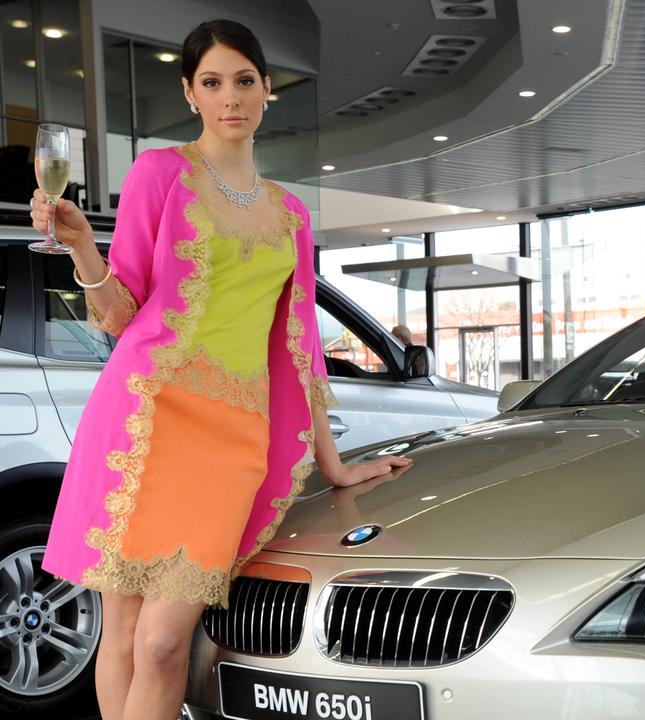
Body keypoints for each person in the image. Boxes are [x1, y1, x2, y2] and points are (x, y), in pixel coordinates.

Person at [33, 20, 412, 720]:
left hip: (231, 440)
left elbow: (298, 349)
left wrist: (334, 465)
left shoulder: (291, 215)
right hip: (145, 417)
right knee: (122, 636)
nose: (230, 97)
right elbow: (122, 315)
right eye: (212, 83)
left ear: (268, 90)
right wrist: (86, 250)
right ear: (190, 93)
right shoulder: (161, 173)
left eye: (244, 81)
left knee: (164, 642)